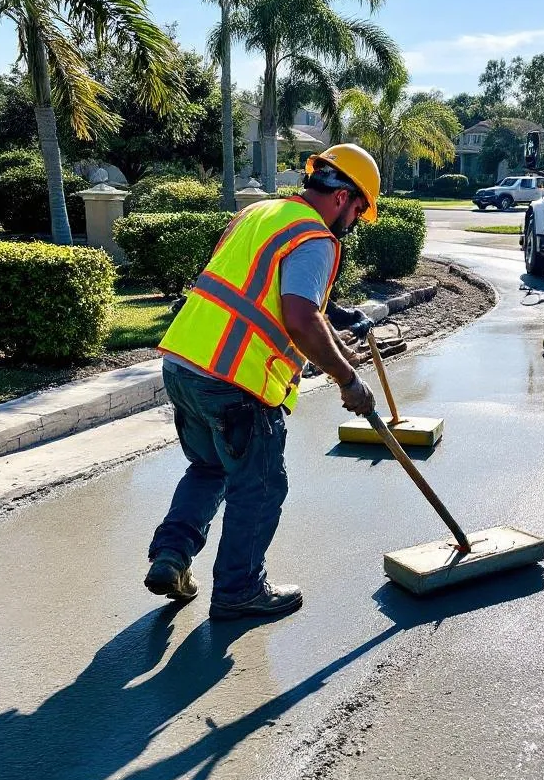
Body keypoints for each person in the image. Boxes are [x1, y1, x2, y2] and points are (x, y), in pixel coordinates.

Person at [143, 144, 381, 622]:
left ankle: (172, 558)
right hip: (236, 381)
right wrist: (348, 378)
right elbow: (298, 316)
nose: (354, 220)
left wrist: (335, 333)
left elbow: (269, 293)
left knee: (210, 469)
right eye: (359, 209)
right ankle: (238, 590)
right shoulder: (315, 238)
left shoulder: (261, 213)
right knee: (261, 486)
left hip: (185, 364)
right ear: (343, 198)